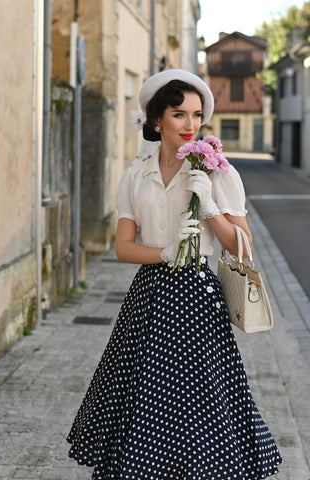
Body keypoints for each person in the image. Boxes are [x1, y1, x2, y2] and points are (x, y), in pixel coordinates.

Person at [67, 69, 282, 480]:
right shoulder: (135, 175)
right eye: (179, 114)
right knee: (144, 401)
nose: (191, 125)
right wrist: (166, 253)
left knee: (200, 404)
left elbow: (241, 245)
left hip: (198, 301)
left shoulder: (217, 172)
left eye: (197, 115)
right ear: (156, 119)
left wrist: (210, 209)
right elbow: (123, 248)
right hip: (149, 298)